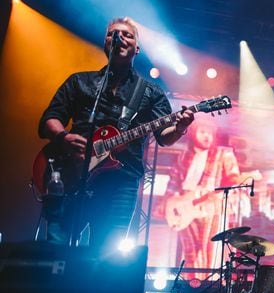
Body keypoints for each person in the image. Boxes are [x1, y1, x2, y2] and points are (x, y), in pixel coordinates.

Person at [38, 17, 195, 252]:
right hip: (72, 173)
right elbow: (50, 119)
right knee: (55, 249)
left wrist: (181, 127)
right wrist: (63, 137)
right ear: (106, 42)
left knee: (106, 255)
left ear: (137, 48)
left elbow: (164, 136)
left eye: (127, 35)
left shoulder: (150, 92)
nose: (120, 38)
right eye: (113, 34)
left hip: (120, 183)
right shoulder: (80, 82)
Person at [166, 119, 244, 272]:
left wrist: (239, 181)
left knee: (210, 252)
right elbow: (173, 184)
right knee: (190, 254)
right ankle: (191, 286)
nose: (207, 136)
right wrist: (171, 204)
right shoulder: (183, 157)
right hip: (185, 208)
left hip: (211, 207)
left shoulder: (223, 154)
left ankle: (209, 285)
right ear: (194, 133)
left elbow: (234, 179)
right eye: (203, 132)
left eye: (210, 133)